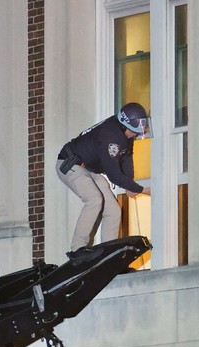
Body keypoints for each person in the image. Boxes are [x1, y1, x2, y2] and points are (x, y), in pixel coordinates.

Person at [56, 102, 152, 260]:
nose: (134, 135)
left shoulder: (125, 134)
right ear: (124, 126)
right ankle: (77, 249)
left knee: (113, 210)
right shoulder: (110, 136)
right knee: (94, 199)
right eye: (133, 132)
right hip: (69, 164)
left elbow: (127, 157)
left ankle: (110, 255)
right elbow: (114, 174)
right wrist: (141, 190)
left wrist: (130, 183)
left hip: (88, 169)